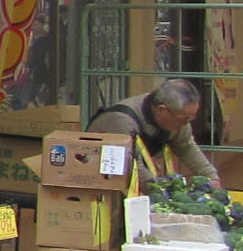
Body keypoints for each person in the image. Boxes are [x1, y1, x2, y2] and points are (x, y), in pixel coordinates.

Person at [87, 77, 220, 182]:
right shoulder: (122, 122)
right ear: (162, 110)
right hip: (103, 177)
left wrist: (211, 177)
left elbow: (186, 147)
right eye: (184, 119)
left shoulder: (175, 117)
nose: (187, 124)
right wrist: (159, 194)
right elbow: (132, 167)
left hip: (134, 171)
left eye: (191, 118)